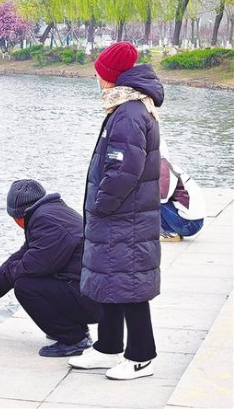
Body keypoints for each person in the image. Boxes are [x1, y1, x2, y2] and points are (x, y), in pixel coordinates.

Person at [68, 42, 163, 380]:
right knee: (110, 280)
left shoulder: (129, 113)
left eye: (99, 73)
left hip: (125, 216)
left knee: (130, 285)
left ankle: (141, 356)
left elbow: (123, 170)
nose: (96, 79)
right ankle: (108, 347)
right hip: (122, 215)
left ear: (111, 76)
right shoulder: (125, 107)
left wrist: (100, 205)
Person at [0, 179, 101, 357]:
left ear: (17, 216)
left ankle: (74, 339)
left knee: (25, 286)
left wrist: (2, 282)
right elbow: (19, 257)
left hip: (97, 302)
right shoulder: (52, 212)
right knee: (34, 278)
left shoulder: (46, 221)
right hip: (94, 295)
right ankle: (72, 330)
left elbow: (32, 265)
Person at [160, 157, 206, 242]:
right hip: (195, 222)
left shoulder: (163, 169)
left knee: (153, 200)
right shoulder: (166, 165)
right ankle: (170, 231)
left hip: (189, 224)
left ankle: (170, 233)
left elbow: (162, 197)